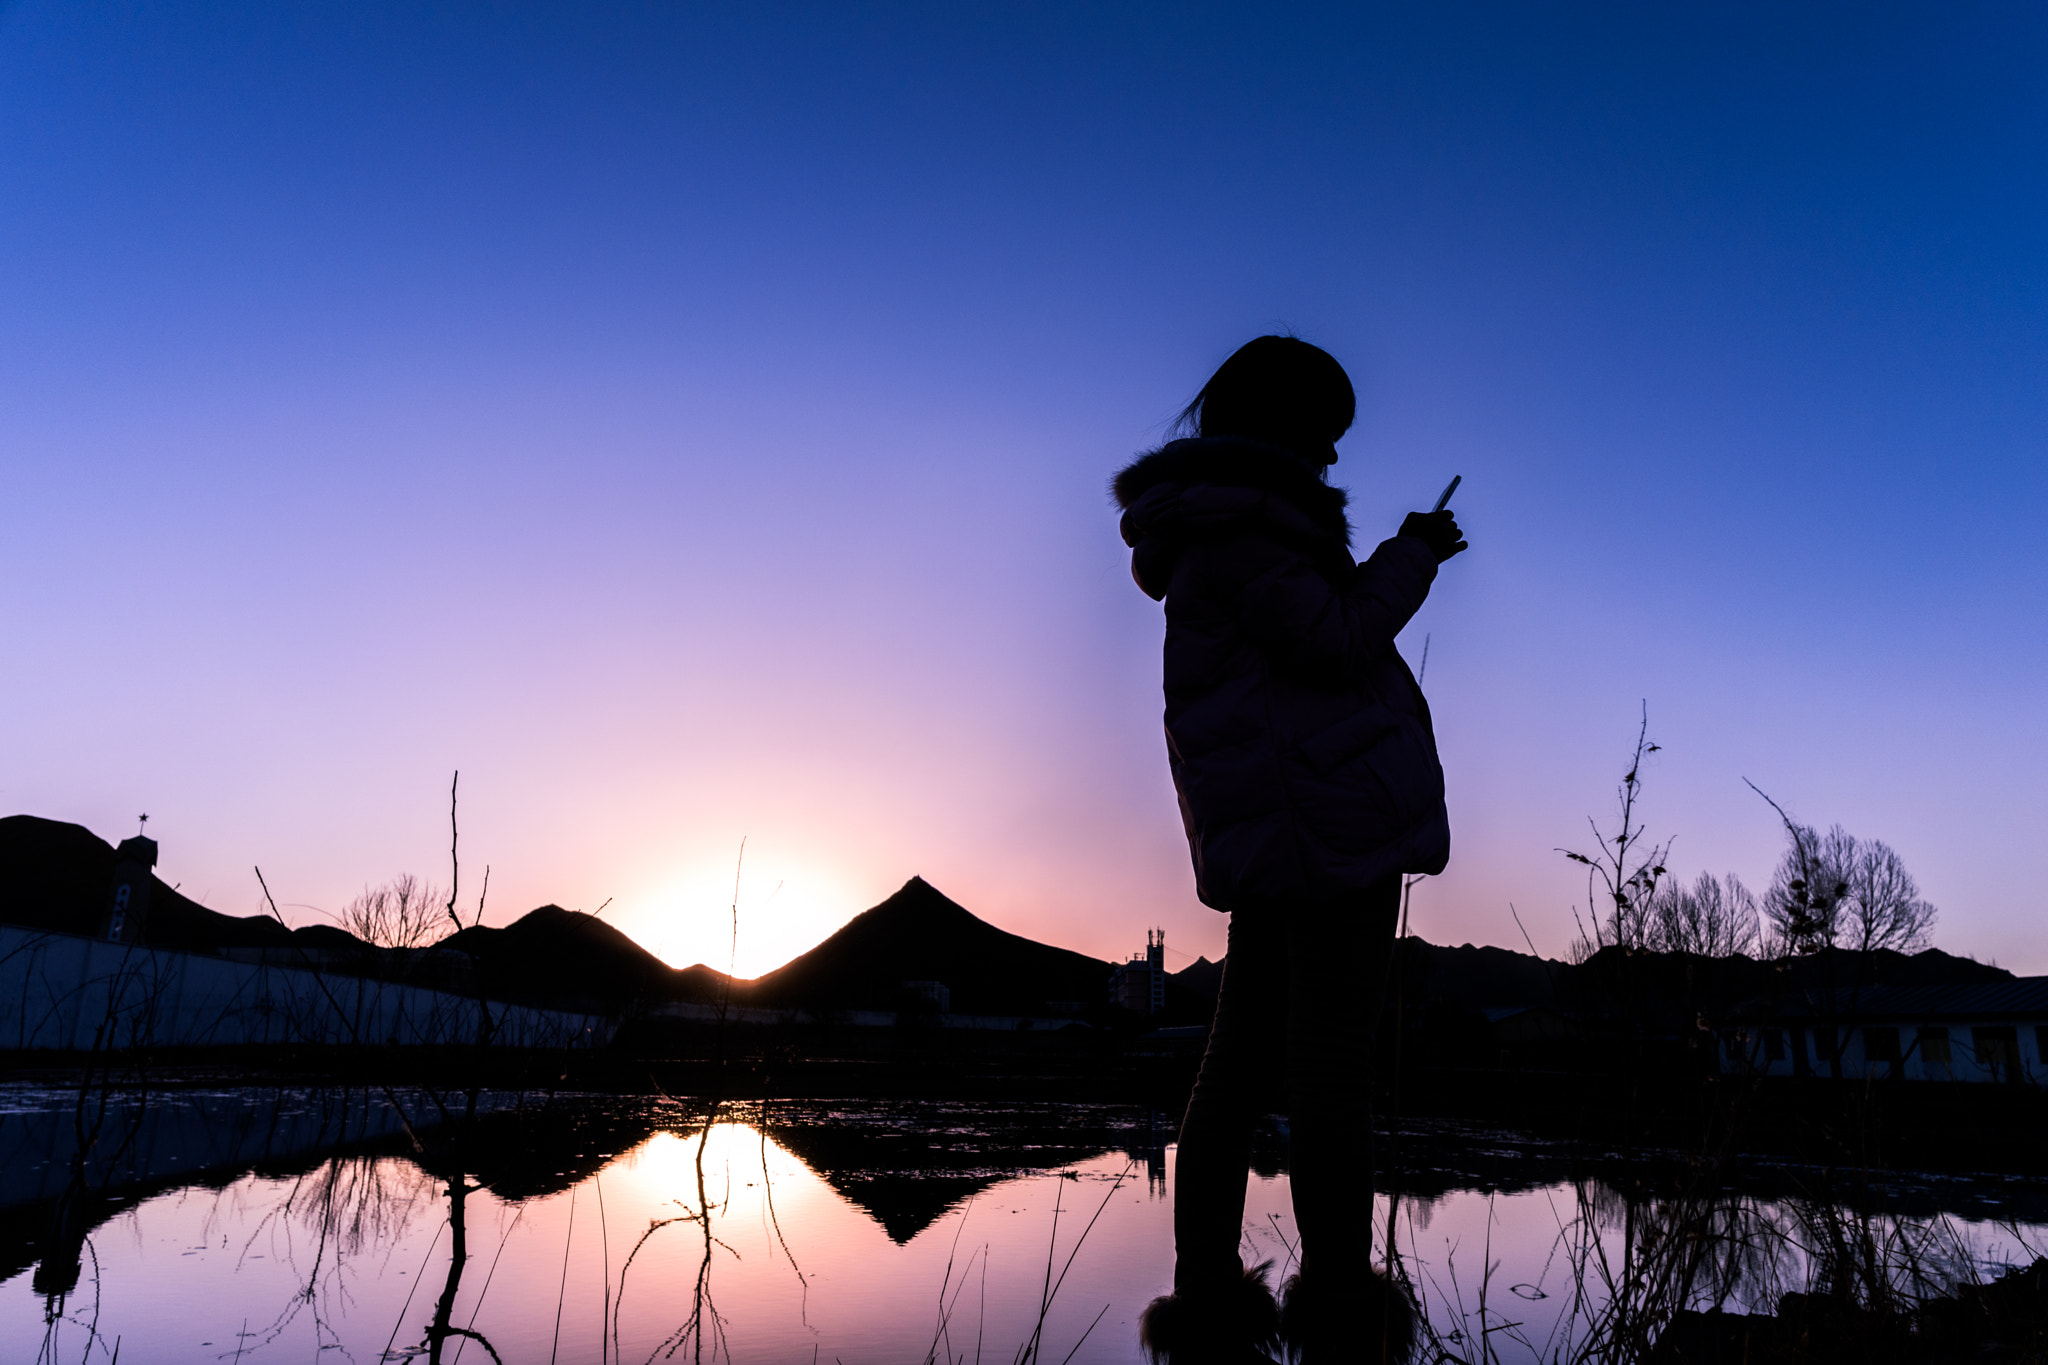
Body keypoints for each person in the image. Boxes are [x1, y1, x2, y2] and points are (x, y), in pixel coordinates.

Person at [1114, 336, 1465, 1365]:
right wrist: (1411, 556)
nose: (1329, 453)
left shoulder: (1222, 528)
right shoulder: (1251, 531)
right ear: (1282, 424)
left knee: (1236, 1067)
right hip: (1326, 828)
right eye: (1323, 430)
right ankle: (1340, 1312)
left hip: (1281, 828)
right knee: (1325, 1072)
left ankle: (1211, 1305)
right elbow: (1336, 644)